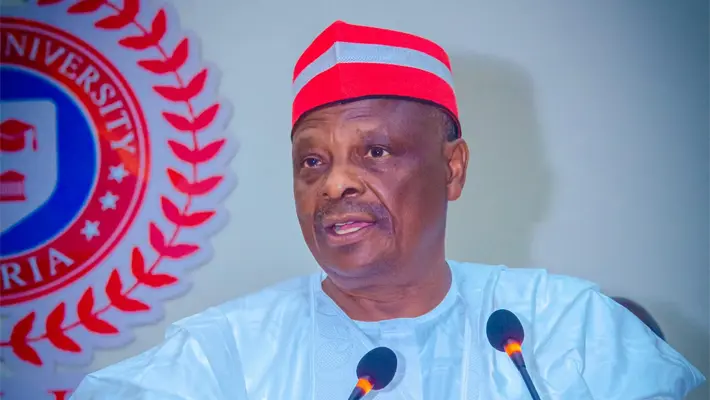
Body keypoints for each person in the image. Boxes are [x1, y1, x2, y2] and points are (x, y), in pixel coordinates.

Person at [70, 20, 705, 400]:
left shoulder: (564, 326)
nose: (335, 185)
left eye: (375, 152)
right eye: (311, 161)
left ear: (452, 168)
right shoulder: (225, 352)